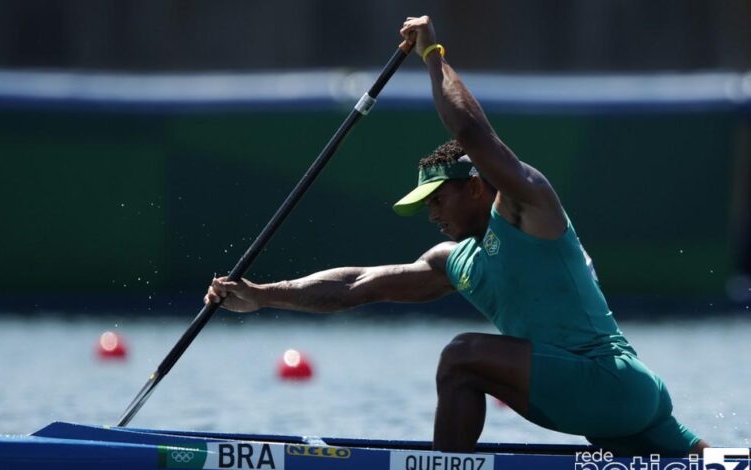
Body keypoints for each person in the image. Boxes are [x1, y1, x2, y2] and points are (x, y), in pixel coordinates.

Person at [205, 15, 708, 457]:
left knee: (462, 358)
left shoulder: (527, 207)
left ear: (472, 188)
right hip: (616, 401)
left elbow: (473, 135)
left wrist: (432, 55)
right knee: (709, 460)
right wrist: (261, 296)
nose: (431, 215)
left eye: (437, 200)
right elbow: (357, 285)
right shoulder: (454, 260)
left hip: (610, 383)